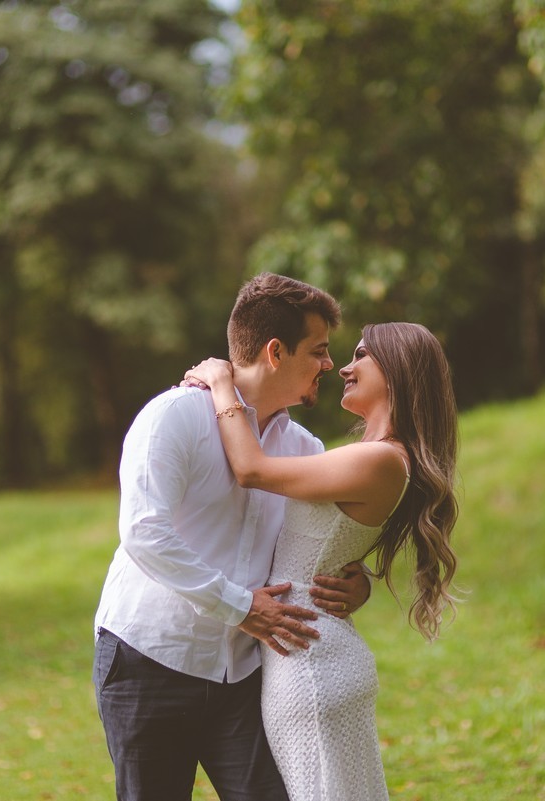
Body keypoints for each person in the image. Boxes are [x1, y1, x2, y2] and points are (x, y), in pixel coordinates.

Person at [93, 273, 374, 801]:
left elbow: (323, 542)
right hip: (149, 659)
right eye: (318, 351)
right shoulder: (174, 416)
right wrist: (241, 606)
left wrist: (357, 584)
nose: (329, 365)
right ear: (275, 351)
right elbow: (143, 533)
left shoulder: (305, 450)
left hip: (243, 674)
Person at [182, 321, 460, 801]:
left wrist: (221, 382)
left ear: (395, 371)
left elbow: (251, 470)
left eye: (360, 355)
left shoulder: (380, 460)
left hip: (309, 662)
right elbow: (326, 540)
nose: (345, 368)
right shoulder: (376, 457)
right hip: (316, 651)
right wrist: (360, 582)